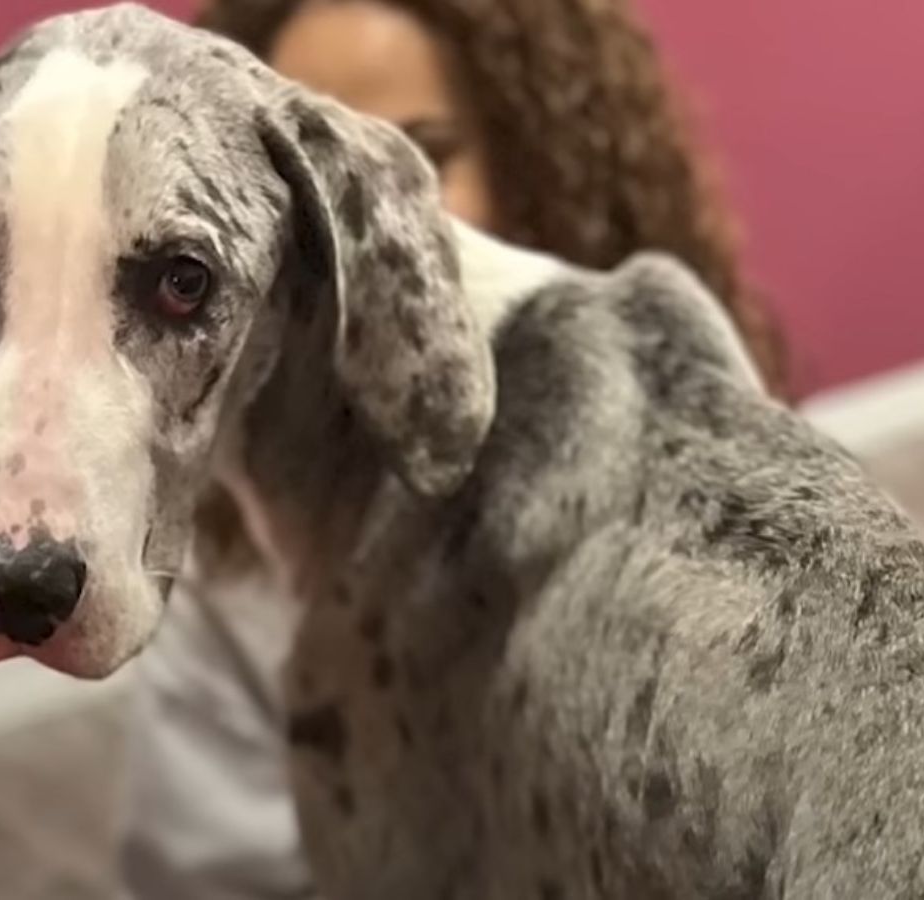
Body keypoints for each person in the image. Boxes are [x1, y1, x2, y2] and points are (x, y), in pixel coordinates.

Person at [118, 0, 787, 897]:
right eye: (313, 176)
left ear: (548, 169)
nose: (365, 231)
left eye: (426, 155)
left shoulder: (709, 469)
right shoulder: (222, 556)